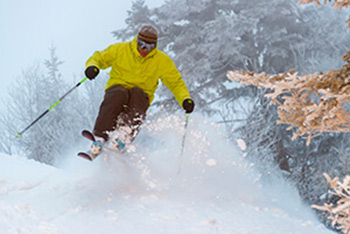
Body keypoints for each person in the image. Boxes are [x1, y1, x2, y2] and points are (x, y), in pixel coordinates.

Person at [84, 25, 194, 158]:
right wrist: (92, 67)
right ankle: (100, 137)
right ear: (137, 41)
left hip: (141, 96)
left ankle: (123, 136)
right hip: (117, 89)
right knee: (119, 93)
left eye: (149, 47)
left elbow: (175, 82)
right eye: (142, 45)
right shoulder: (121, 50)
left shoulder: (161, 61)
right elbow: (99, 57)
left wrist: (185, 99)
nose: (144, 50)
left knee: (137, 94)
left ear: (155, 46)